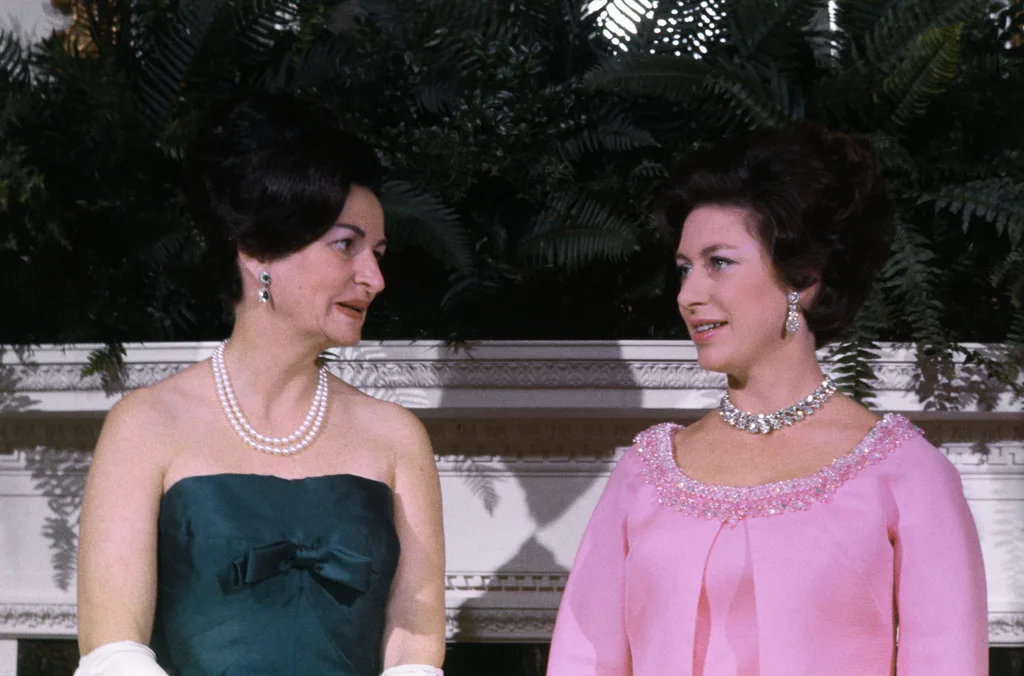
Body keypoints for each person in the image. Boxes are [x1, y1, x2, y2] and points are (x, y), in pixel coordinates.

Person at [546, 125, 988, 675]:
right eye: (684, 268)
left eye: (719, 262)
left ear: (802, 278)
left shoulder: (906, 474)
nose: (688, 295)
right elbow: (583, 659)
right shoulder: (646, 473)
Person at [74, 92, 446, 676]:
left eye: (377, 253)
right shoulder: (146, 425)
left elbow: (415, 656)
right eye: (345, 245)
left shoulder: (397, 437)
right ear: (257, 253)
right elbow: (112, 652)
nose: (374, 278)